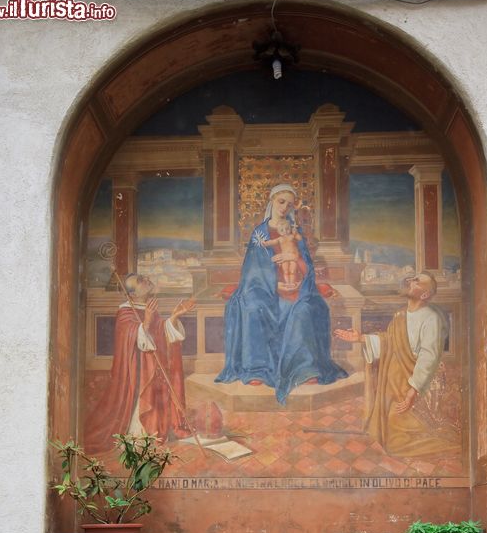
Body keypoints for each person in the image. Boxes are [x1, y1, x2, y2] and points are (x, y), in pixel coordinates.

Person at [215, 183, 347, 404]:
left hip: (294, 287)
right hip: (264, 289)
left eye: (289, 203)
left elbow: (306, 265)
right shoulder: (260, 233)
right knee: (254, 308)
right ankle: (257, 368)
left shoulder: (296, 233)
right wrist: (274, 286)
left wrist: (296, 278)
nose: (285, 207)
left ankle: (304, 369)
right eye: (281, 201)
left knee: (303, 309)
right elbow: (252, 270)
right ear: (272, 202)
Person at [334, 272, 459, 460]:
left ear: (424, 295)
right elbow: (389, 342)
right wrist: (360, 338)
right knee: (390, 427)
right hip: (396, 377)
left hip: (416, 380)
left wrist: (412, 391)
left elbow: (428, 357)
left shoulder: (431, 318)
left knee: (398, 439)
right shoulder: (401, 314)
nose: (410, 280)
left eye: (417, 281)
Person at [85, 274, 193, 453]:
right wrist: (147, 321)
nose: (147, 280)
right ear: (133, 294)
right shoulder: (125, 312)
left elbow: (160, 333)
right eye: (141, 281)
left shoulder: (149, 308)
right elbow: (132, 339)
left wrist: (174, 316)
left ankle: (156, 430)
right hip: (138, 373)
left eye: (144, 278)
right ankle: (140, 432)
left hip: (154, 368)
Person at [262, 219, 304, 292]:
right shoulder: (280, 239)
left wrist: (296, 233)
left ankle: (292, 283)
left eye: (287, 229)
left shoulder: (292, 236)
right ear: (278, 231)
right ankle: (287, 283)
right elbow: (272, 242)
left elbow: (300, 239)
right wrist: (265, 243)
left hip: (293, 256)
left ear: (290, 228)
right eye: (282, 230)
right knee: (285, 271)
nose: (285, 231)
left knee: (292, 270)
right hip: (284, 257)